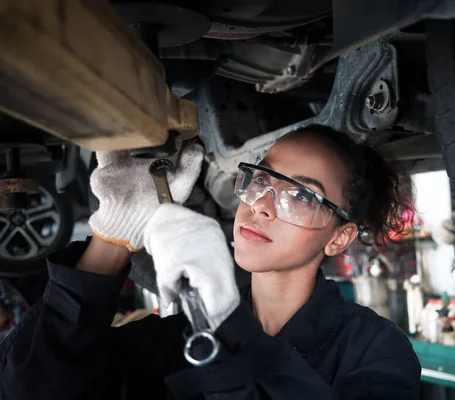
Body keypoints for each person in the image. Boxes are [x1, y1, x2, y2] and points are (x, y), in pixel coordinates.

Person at [0, 125, 421, 399]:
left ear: (340, 237)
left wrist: (223, 323)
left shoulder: (376, 350)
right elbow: (32, 389)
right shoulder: (177, 337)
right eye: (261, 180)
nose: (261, 206)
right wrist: (114, 234)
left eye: (301, 196)